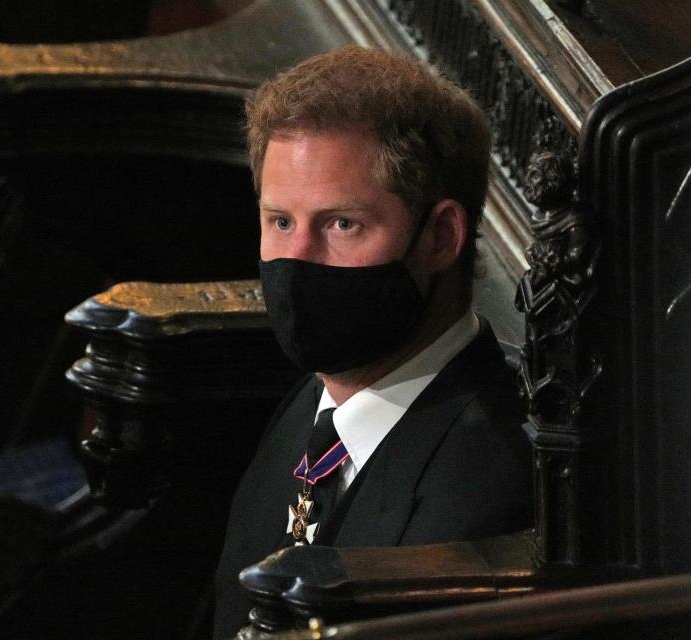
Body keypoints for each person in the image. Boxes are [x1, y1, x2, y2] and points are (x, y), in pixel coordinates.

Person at [213, 45, 533, 638]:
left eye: (342, 225)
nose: (297, 261)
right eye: (281, 222)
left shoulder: (485, 499)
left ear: (440, 237)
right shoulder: (314, 406)